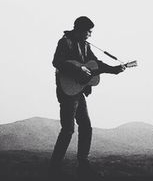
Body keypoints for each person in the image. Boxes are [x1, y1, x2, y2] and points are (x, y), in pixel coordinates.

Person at [49, 16, 125, 179]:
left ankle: (82, 164)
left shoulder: (85, 45)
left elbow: (95, 64)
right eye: (88, 32)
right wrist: (78, 68)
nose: (89, 35)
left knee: (85, 126)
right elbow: (57, 62)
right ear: (79, 29)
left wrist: (114, 69)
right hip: (67, 90)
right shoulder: (65, 42)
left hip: (77, 91)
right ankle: (54, 167)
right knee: (68, 129)